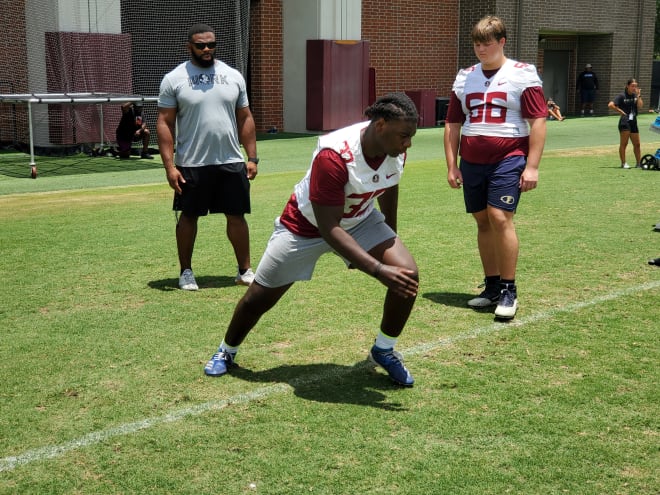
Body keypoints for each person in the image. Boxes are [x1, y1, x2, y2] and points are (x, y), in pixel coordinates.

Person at [203, 93, 420, 386]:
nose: (408, 143)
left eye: (410, 137)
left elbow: (389, 183)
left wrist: (387, 235)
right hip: (306, 226)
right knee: (260, 297)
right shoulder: (334, 155)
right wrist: (377, 269)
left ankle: (384, 350)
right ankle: (227, 350)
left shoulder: (394, 148)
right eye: (404, 136)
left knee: (408, 276)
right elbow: (329, 228)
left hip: (360, 220)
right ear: (380, 125)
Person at [443, 15, 547, 320]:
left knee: (500, 217)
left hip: (509, 156)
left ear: (502, 42)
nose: (481, 49)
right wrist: (452, 165)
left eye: (487, 43)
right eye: (477, 43)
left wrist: (533, 167)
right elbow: (452, 123)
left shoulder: (522, 74)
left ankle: (508, 289)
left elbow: (538, 121)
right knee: (482, 221)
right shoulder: (465, 77)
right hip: (472, 161)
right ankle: (491, 287)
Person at [156, 23, 258, 290]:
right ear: (189, 46)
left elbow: (245, 116)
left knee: (237, 216)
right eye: (200, 45)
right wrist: (169, 167)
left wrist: (252, 157)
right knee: (188, 217)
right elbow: (165, 123)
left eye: (211, 44)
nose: (206, 49)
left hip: (230, 161)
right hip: (191, 163)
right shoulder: (174, 78)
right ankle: (186, 272)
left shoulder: (233, 75)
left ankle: (244, 270)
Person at [608, 78, 644, 169]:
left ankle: (639, 163)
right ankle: (624, 163)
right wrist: (620, 111)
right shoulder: (621, 96)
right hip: (624, 122)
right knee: (624, 143)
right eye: (632, 86)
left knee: (637, 144)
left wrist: (639, 95)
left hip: (633, 122)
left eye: (635, 86)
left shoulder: (635, 96)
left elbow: (640, 106)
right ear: (627, 86)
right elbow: (610, 105)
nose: (634, 88)